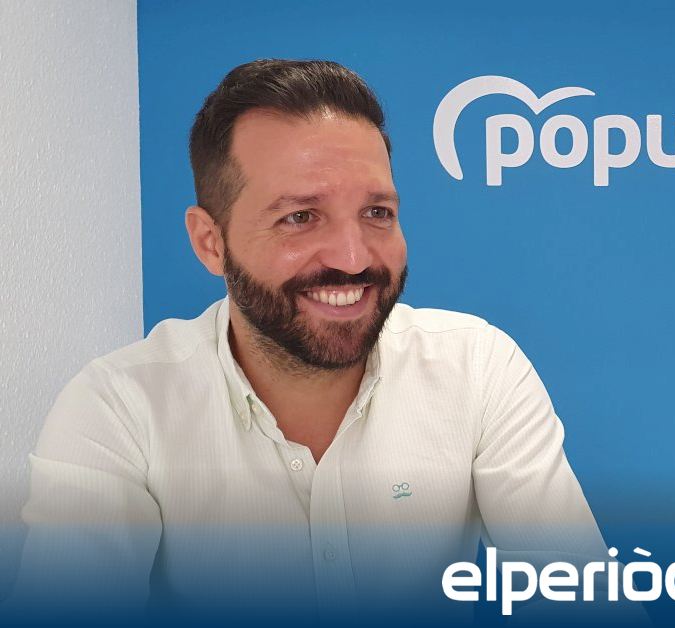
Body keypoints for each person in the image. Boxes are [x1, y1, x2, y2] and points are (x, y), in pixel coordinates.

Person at [8, 59, 610, 624]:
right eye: (299, 217)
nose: (352, 258)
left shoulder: (476, 366)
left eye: (377, 212)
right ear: (210, 242)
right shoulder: (120, 407)